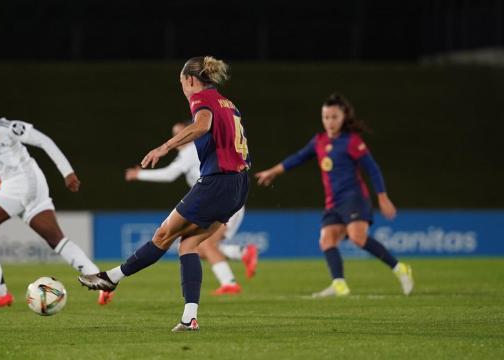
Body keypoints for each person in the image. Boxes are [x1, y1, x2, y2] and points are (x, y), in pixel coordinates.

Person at [78, 56, 250, 331]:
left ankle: (112, 277)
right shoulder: (227, 102)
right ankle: (189, 317)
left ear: (191, 80)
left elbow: (202, 125)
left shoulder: (200, 99)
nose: (182, 88)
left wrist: (164, 147)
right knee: (189, 245)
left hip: (217, 182)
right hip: (239, 184)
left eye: (182, 82)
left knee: (163, 234)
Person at [0, 87, 112, 311]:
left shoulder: (4, 127)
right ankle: (100, 280)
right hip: (20, 184)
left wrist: (67, 171)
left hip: (24, 180)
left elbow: (43, 140)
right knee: (56, 239)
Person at [255, 93, 414, 297]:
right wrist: (273, 171)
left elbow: (372, 169)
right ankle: (339, 285)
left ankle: (400, 269)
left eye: (334, 117)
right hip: (333, 202)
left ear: (343, 117)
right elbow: (298, 158)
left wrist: (382, 197)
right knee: (327, 240)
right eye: (326, 117)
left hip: (354, 197)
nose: (330, 121)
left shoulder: (352, 141)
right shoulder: (319, 140)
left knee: (358, 238)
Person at [125, 121, 257, 295]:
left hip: (220, 200)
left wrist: (138, 174)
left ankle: (230, 283)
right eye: (175, 134)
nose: (178, 137)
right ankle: (241, 253)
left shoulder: (190, 150)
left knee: (204, 245)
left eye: (181, 133)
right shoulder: (199, 148)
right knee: (199, 247)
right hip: (225, 198)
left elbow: (169, 175)